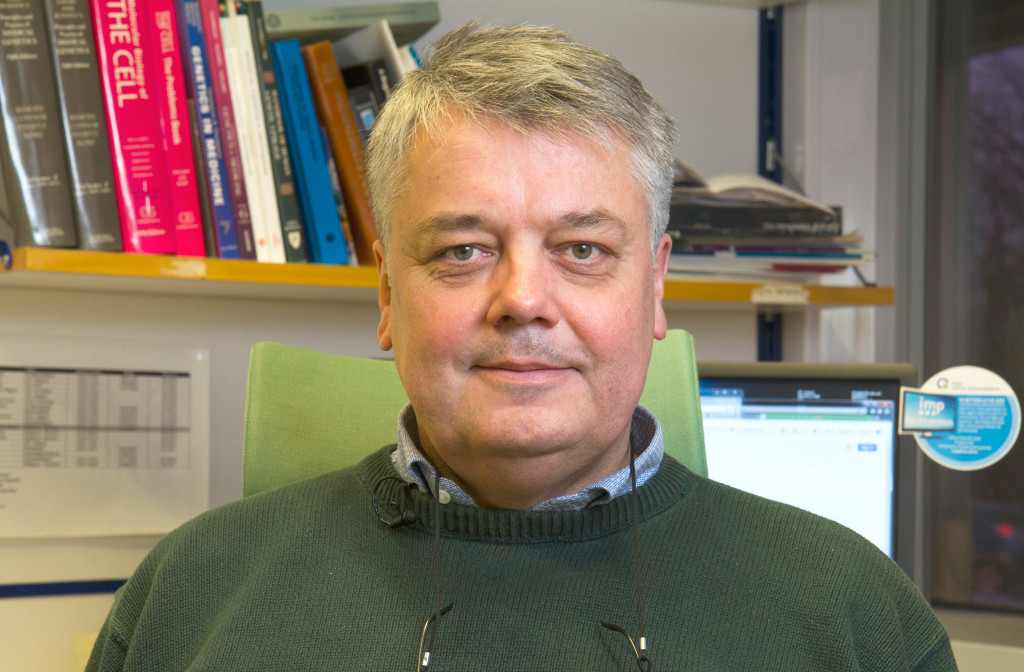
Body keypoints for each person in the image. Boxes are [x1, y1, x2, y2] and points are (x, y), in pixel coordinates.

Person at [86, 23, 957, 671]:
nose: (523, 301)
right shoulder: (189, 594)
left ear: (656, 286)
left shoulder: (856, 614)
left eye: (583, 249)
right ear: (387, 294)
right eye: (463, 250)